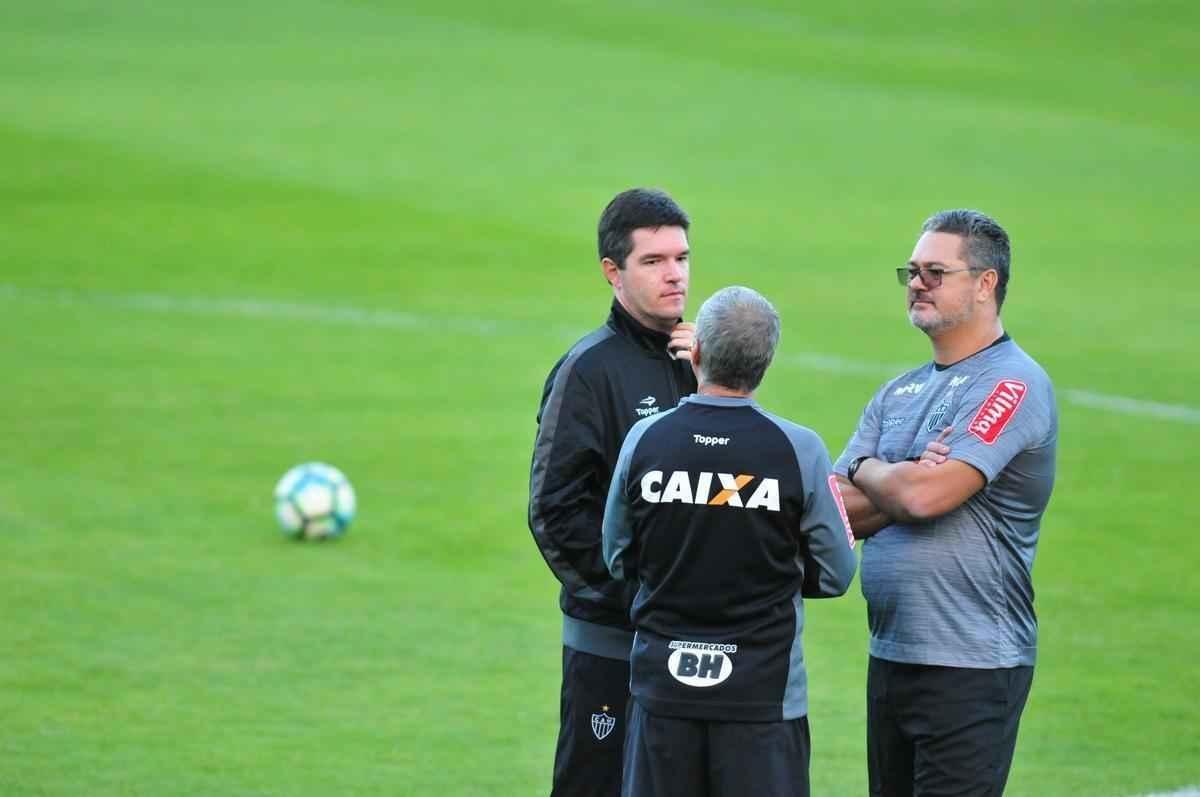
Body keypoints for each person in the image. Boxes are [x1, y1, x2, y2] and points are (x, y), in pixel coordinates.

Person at [834, 209, 1058, 797]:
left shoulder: (1012, 382)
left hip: (970, 665)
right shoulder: (898, 391)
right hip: (890, 654)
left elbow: (929, 496)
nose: (916, 283)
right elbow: (834, 511)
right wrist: (895, 478)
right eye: (912, 271)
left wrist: (879, 474)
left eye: (936, 272)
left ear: (985, 284)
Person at [602, 286, 858, 797]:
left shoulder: (645, 439)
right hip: (762, 702)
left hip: (663, 693)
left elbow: (617, 555)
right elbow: (836, 573)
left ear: (697, 353)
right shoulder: (799, 450)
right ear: (765, 364)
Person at [528, 188, 698, 797]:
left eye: (681, 257)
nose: (674, 274)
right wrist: (632, 598)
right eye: (653, 262)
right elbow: (553, 511)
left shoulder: (699, 363)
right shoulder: (589, 370)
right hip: (612, 641)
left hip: (694, 642)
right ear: (613, 272)